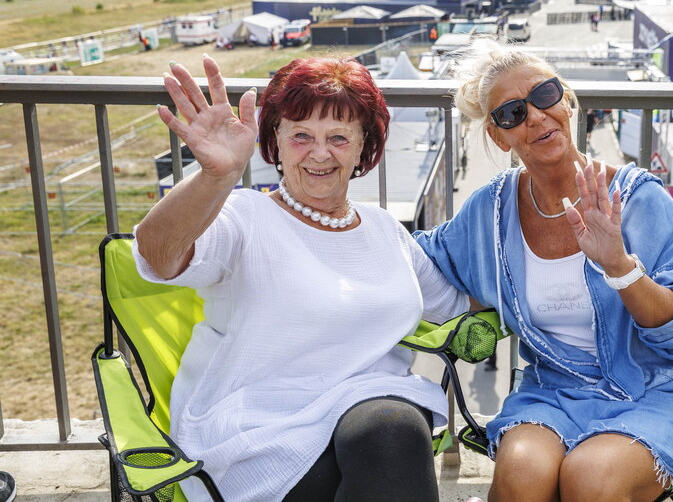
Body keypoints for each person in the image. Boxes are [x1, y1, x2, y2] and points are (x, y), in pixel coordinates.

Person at [134, 55, 468, 501]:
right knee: (390, 456)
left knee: (396, 430)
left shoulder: (385, 229)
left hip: (369, 412)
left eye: (338, 137)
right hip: (260, 423)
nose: (320, 153)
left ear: (363, 143)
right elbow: (159, 256)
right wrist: (215, 179)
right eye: (301, 136)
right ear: (275, 138)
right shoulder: (243, 217)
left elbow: (460, 307)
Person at [415, 43, 673, 501]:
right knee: (521, 475)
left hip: (654, 391)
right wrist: (325, 223)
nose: (535, 116)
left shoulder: (637, 200)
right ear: (498, 136)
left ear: (566, 100)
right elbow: (421, 256)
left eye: (544, 95)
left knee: (591, 478)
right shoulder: (490, 212)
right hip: (552, 392)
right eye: (512, 113)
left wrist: (619, 266)